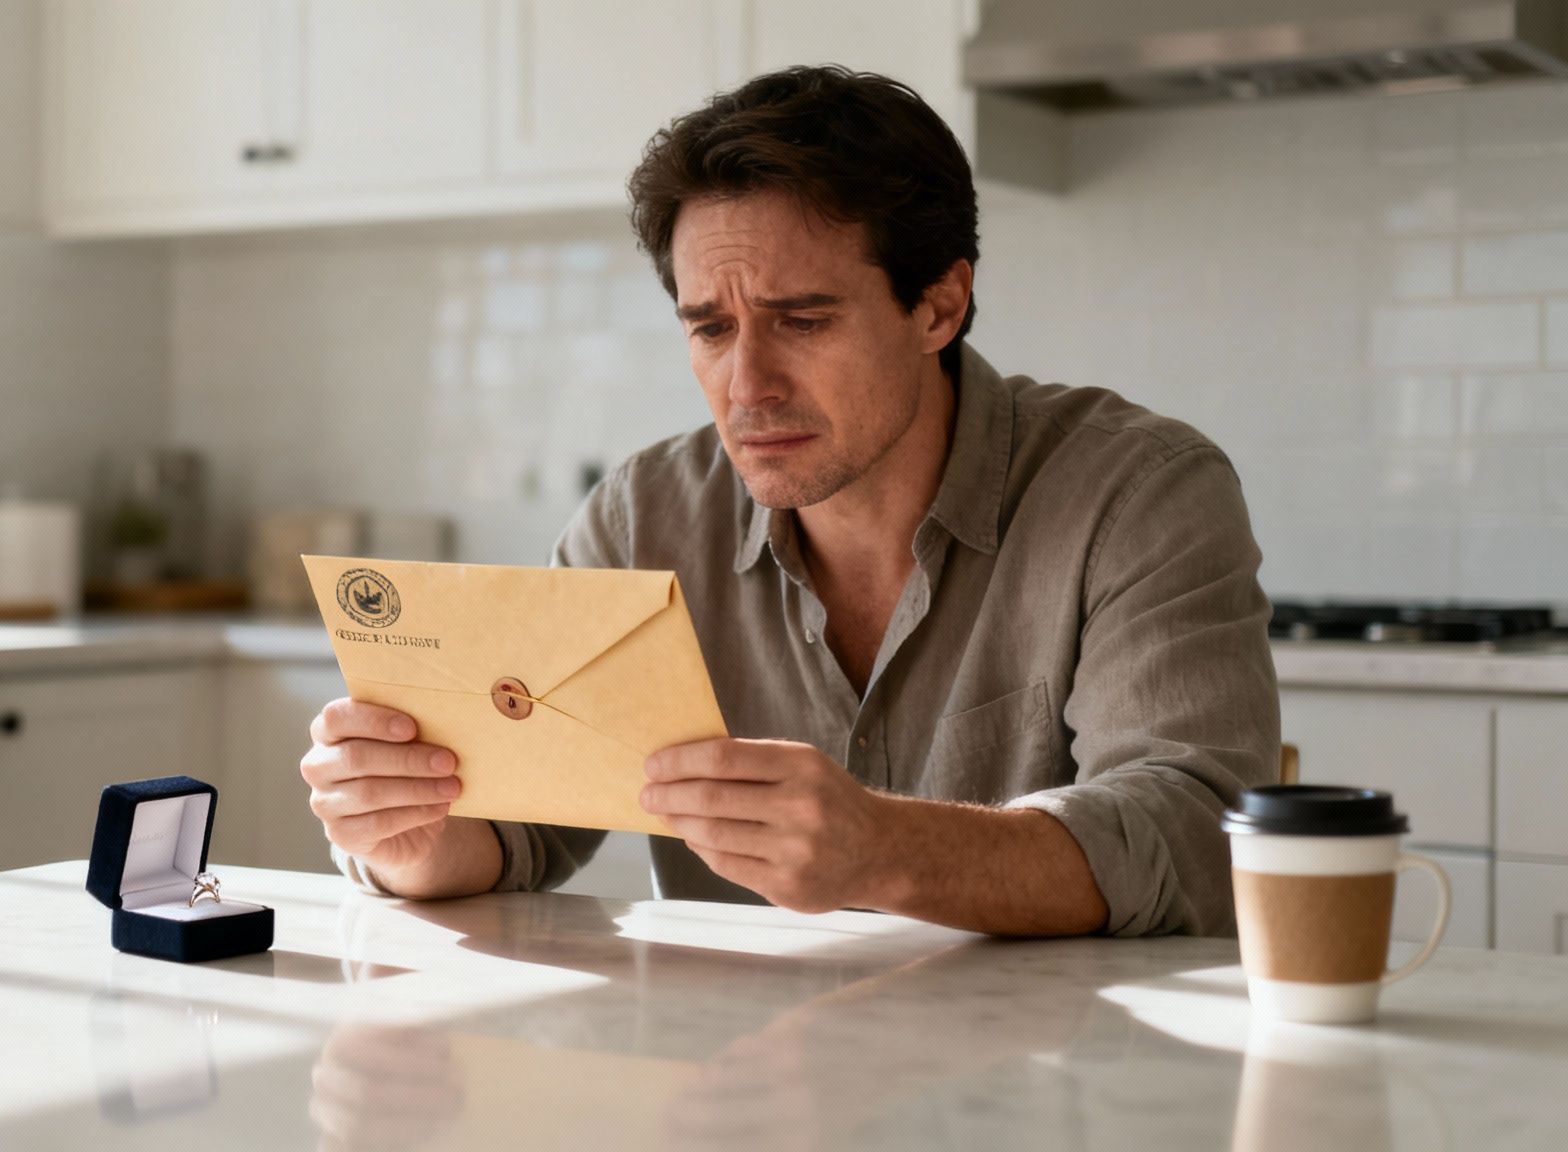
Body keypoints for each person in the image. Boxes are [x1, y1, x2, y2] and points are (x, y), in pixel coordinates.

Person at [299, 65, 1280, 938]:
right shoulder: (642, 519)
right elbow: (521, 823)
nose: (746, 385)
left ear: (937, 305)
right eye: (710, 329)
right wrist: (408, 832)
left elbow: (1194, 834)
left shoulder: (1138, 491)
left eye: (800, 320)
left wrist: (885, 849)